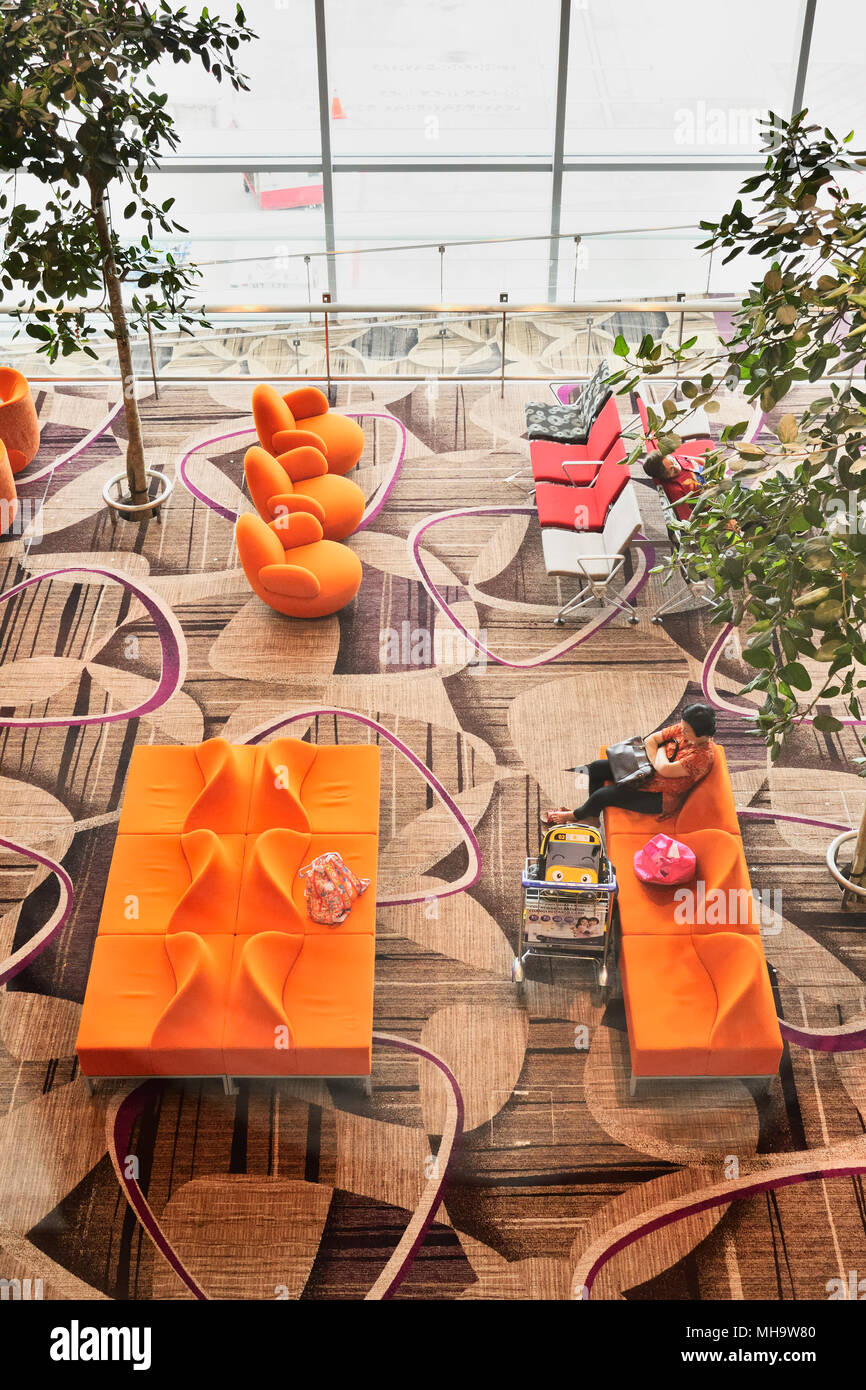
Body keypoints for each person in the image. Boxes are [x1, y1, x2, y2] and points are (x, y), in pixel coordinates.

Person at [544, 702, 717, 827]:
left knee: (603, 795)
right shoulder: (684, 728)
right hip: (644, 771)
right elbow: (651, 739)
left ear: (701, 734)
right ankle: (592, 817)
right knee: (596, 767)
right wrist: (659, 756)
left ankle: (574, 815)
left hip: (659, 797)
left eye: (687, 730)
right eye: (683, 726)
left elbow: (665, 770)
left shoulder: (701, 756)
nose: (682, 730)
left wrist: (661, 751)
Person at [643, 449, 702, 520]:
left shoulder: (677, 459)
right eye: (671, 470)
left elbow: (701, 461)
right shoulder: (676, 491)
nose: (677, 468)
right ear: (664, 477)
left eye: (673, 462)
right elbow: (687, 519)